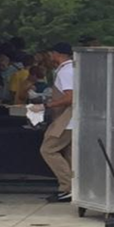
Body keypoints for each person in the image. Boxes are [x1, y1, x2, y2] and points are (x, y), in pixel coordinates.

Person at [41, 42, 75, 203]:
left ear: (56, 54)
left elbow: (70, 97)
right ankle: (74, 186)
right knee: (69, 154)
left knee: (48, 149)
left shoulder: (65, 72)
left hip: (66, 120)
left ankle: (67, 186)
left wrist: (49, 104)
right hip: (72, 120)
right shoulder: (72, 69)